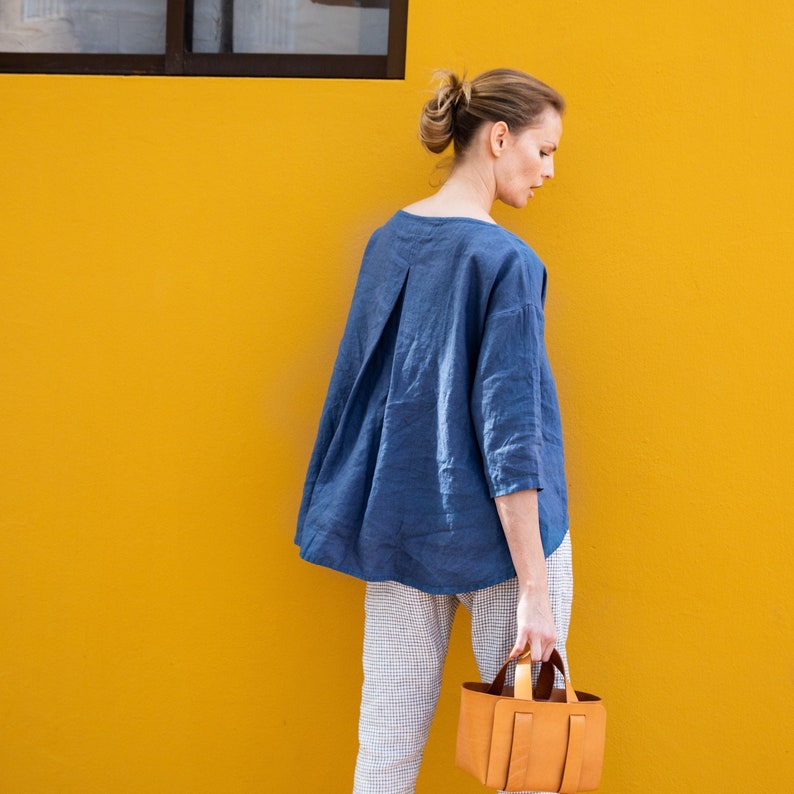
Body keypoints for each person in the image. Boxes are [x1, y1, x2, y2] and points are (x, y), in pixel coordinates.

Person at [296, 68, 572, 794]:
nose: (548, 172)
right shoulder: (505, 260)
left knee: (383, 750)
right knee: (525, 761)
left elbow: (360, 385)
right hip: (503, 548)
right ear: (500, 137)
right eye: (543, 151)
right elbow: (513, 432)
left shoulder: (391, 240)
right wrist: (535, 591)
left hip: (399, 528)